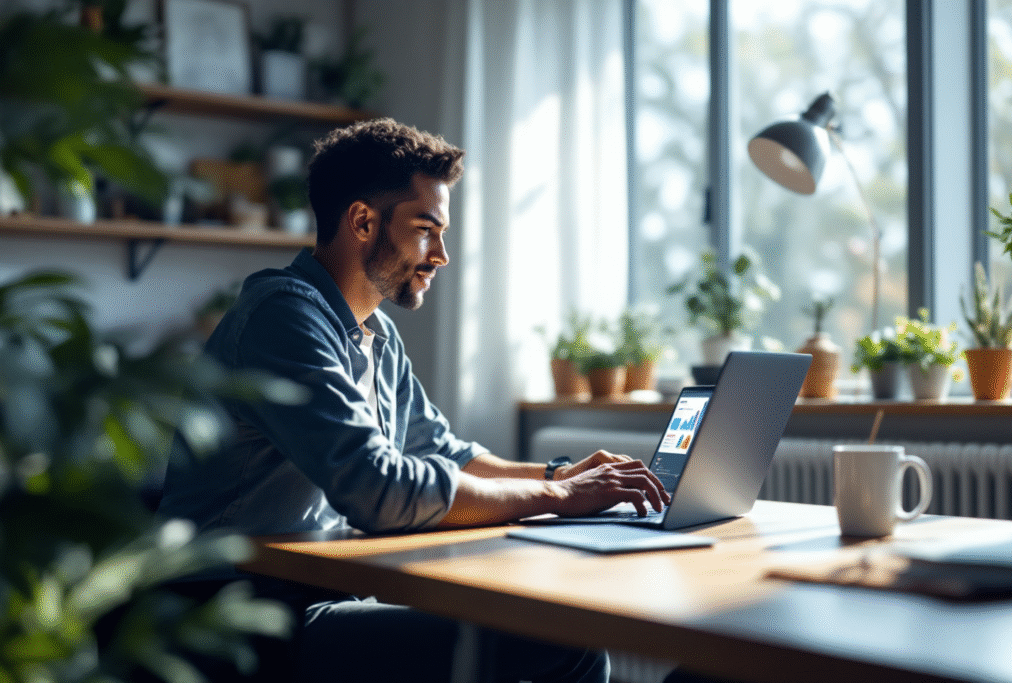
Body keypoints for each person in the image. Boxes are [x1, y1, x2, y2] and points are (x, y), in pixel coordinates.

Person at [158, 118, 670, 683]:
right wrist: (557, 494)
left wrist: (560, 474)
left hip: (316, 594)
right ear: (362, 221)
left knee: (559, 635)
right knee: (564, 644)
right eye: (427, 229)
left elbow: (443, 452)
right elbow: (376, 488)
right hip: (234, 617)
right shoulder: (283, 317)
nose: (441, 254)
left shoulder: (373, 331)